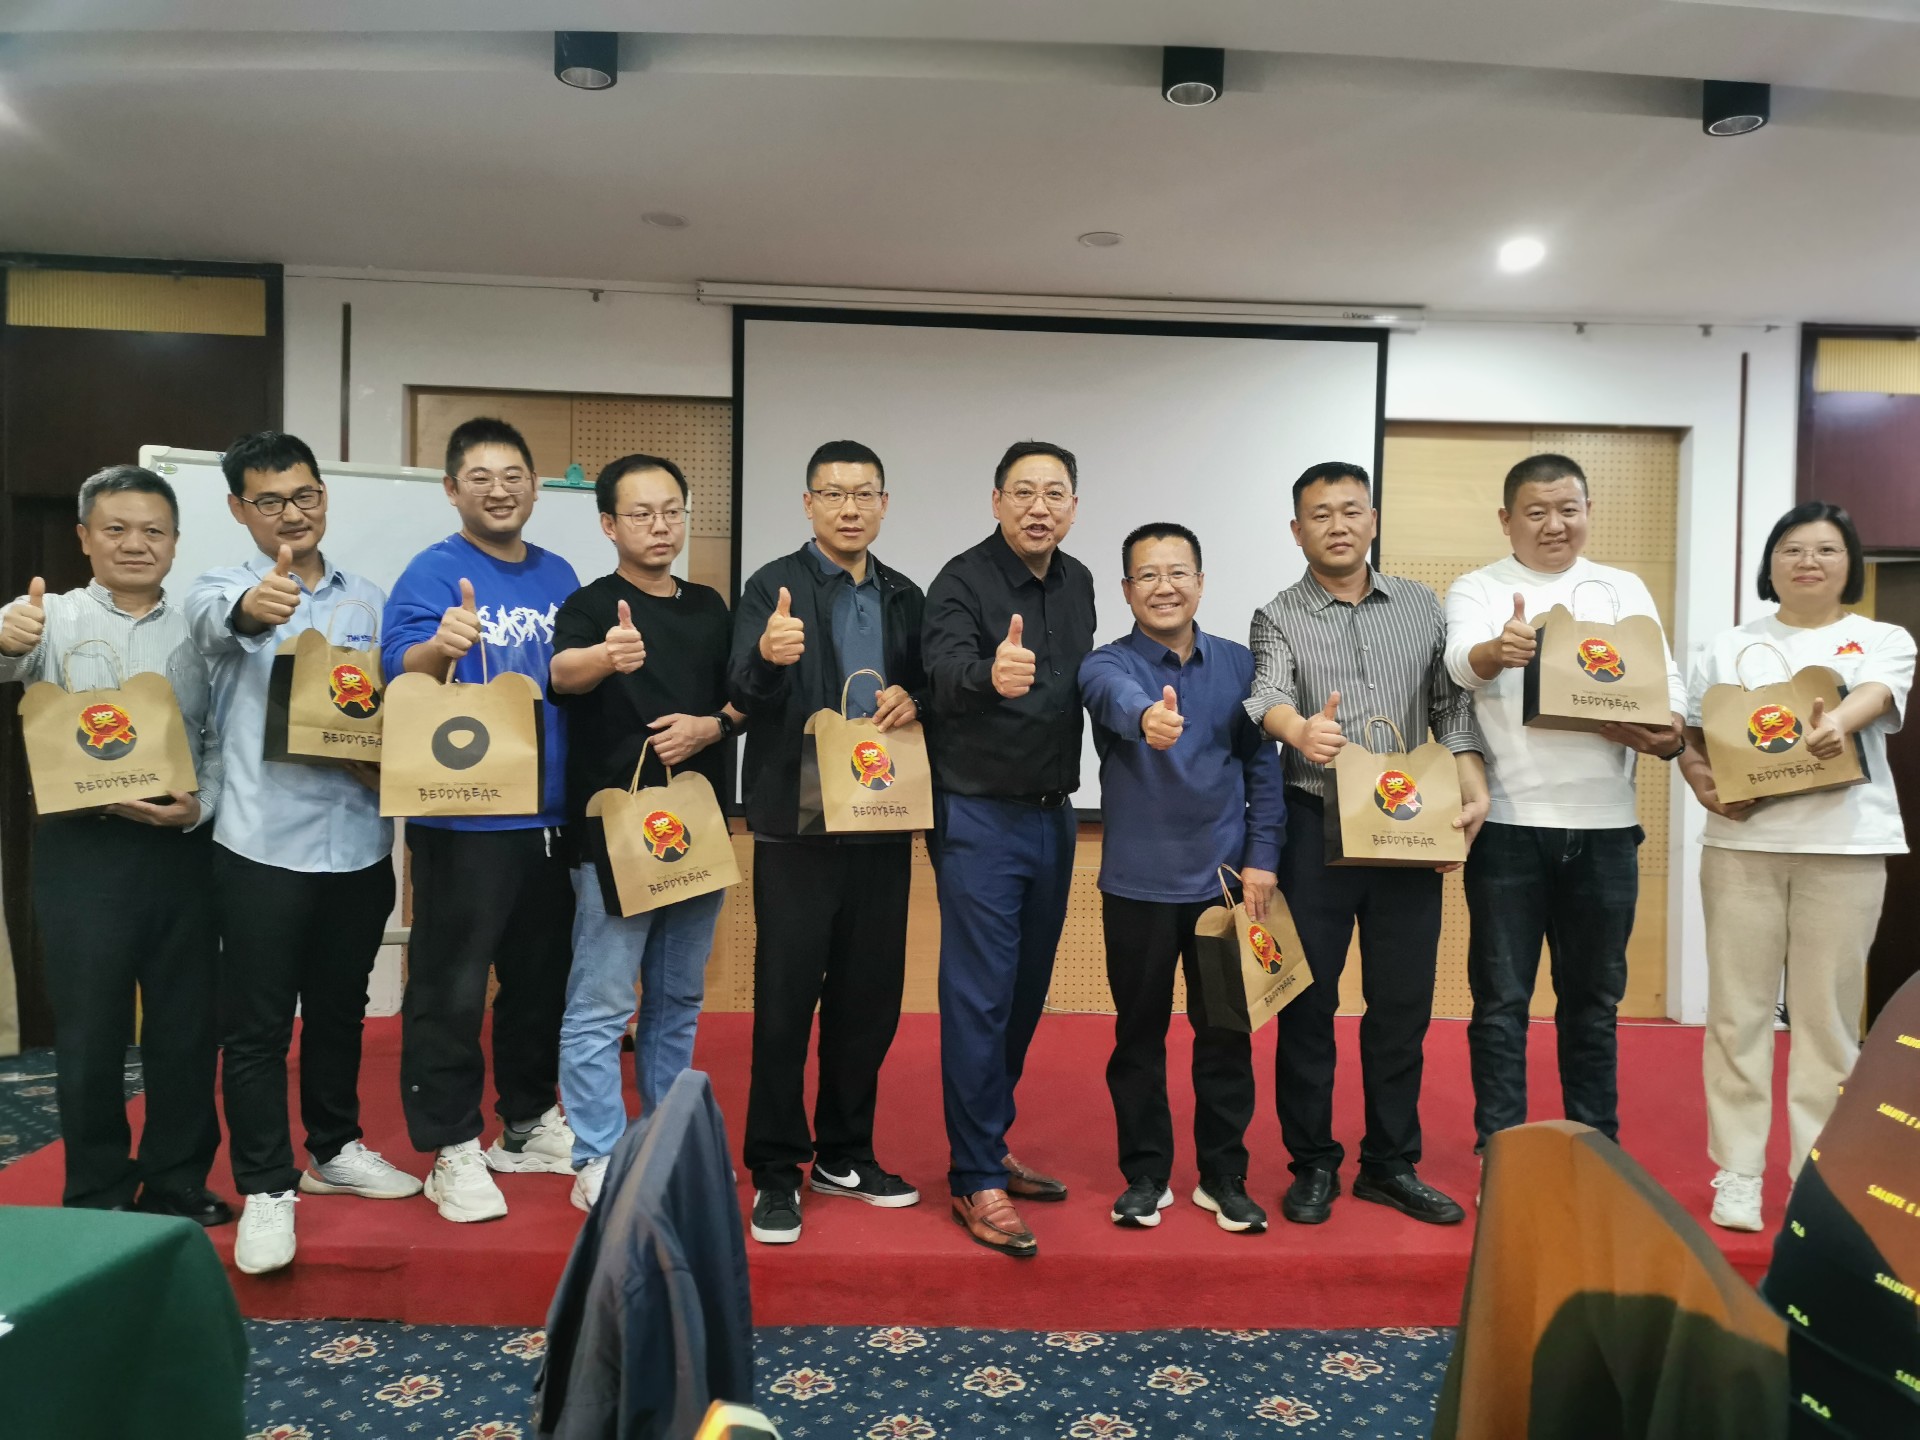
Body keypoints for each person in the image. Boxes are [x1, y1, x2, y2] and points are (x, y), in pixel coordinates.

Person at [186, 431, 421, 1275]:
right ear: (238, 508)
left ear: (325, 495)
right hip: (260, 842)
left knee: (339, 1008)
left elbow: (392, 703)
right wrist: (258, 607)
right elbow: (219, 626)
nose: (293, 513)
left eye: (306, 495)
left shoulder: (370, 599)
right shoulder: (221, 589)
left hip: (358, 840)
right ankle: (267, 1185)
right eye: (271, 500)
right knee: (255, 1026)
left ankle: (335, 1147)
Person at [1247, 461, 1487, 1227]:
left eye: (1351, 510)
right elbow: (1266, 695)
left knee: (1402, 1005)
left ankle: (1390, 1163)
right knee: (1307, 1006)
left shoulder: (1420, 606)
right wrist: (1299, 730)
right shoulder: (1277, 614)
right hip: (1313, 826)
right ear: (1298, 531)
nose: (1338, 526)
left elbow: (1452, 709)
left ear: (1373, 520)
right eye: (1321, 515)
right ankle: (1313, 1163)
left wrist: (1471, 783)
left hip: (1408, 825)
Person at [1443, 453, 1686, 1166]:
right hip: (1509, 827)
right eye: (1537, 511)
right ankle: (1502, 1155)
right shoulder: (1479, 587)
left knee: (1594, 1004)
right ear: (1507, 519)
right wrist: (1498, 649)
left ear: (1587, 512)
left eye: (1568, 509)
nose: (1555, 524)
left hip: (1606, 828)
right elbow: (1458, 663)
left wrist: (1665, 729)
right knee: (1500, 1004)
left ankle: (1596, 1152)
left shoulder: (1622, 588)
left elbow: (1667, 689)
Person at [1678, 500, 1912, 1232]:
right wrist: (1701, 782)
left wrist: (1836, 721)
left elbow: (1875, 695)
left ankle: (1817, 1176)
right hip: (1742, 850)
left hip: (1845, 849)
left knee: (1828, 1022)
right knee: (1737, 1014)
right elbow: (1692, 737)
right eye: (1792, 549)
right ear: (1770, 564)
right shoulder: (1728, 646)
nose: (1808, 561)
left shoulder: (1882, 639)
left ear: (1850, 564)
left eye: (1826, 550)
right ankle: (1738, 1172)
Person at [0, 466, 225, 1222]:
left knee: (185, 1027)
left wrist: (199, 809)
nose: (136, 544)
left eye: (153, 530)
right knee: (91, 1031)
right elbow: (7, 658)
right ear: (84, 537)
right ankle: (97, 1188)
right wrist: (4, 637)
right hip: (82, 849)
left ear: (175, 541)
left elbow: (219, 739)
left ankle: (177, 1181)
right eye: (117, 529)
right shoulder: (47, 618)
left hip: (180, 848)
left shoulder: (201, 630)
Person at [382, 417, 580, 1223]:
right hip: (465, 821)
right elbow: (396, 668)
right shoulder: (432, 572)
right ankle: (451, 1145)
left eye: (513, 476)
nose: (499, 491)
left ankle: (525, 1122)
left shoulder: (560, 572)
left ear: (534, 485)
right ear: (452, 489)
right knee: (451, 988)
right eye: (480, 478)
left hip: (552, 817)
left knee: (541, 984)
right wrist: (441, 646)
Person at [728, 440, 926, 1246]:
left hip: (880, 816)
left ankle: (845, 1153)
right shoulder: (770, 585)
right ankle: (776, 1170)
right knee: (785, 1003)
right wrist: (766, 659)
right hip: (796, 824)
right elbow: (740, 693)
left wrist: (918, 698)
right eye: (833, 494)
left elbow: (928, 687)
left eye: (864, 493)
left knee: (868, 1000)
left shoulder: (906, 595)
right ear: (808, 504)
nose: (850, 508)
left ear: (884, 504)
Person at [550, 452, 743, 1213]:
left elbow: (739, 701)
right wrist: (607, 656)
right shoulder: (590, 604)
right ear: (609, 524)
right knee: (602, 1002)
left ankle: (666, 1140)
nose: (660, 526)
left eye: (671, 511)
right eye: (641, 514)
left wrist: (711, 725)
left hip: (697, 829)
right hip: (613, 836)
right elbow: (561, 674)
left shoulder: (711, 607)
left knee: (678, 997)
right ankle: (597, 1152)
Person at [1080, 521, 1284, 1233]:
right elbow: (1109, 695)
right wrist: (1146, 717)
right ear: (1126, 588)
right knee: (1138, 1037)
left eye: (1177, 573)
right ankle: (1145, 1175)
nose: (1163, 587)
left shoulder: (1240, 664)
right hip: (1136, 887)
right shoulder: (1107, 663)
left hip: (1225, 887)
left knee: (1227, 1037)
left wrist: (1263, 857)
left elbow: (1262, 769)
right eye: (1148, 575)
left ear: (1200, 581)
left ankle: (1224, 1176)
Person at [922, 440, 1097, 1258]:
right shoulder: (962, 580)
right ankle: (973, 1176)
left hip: (1055, 816)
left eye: (1054, 493)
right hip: (977, 816)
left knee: (1024, 995)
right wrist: (988, 675)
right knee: (980, 998)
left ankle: (989, 1141)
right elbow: (940, 671)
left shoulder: (1081, 581)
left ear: (1073, 507)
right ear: (996, 501)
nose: (1039, 507)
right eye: (1023, 492)